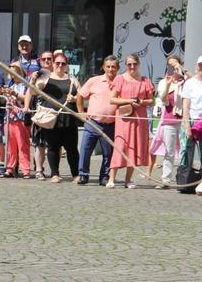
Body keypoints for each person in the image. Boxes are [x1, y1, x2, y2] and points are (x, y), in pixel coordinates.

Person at [107, 54, 155, 189]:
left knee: (134, 147)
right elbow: (112, 99)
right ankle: (111, 178)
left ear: (138, 64)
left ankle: (128, 180)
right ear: (126, 65)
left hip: (139, 118)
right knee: (120, 145)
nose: (132, 67)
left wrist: (142, 101)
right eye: (129, 64)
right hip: (124, 117)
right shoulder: (120, 79)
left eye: (134, 64)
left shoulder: (145, 80)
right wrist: (129, 100)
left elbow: (152, 100)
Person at [35, 52, 81, 183]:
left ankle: (75, 174)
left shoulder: (72, 79)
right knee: (53, 147)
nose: (60, 65)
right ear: (53, 64)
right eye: (57, 63)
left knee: (72, 148)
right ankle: (54, 174)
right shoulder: (45, 78)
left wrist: (75, 98)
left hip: (69, 119)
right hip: (51, 118)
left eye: (63, 63)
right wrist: (33, 80)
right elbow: (33, 91)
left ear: (66, 65)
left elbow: (82, 95)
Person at [76, 55, 119, 186]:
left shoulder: (120, 82)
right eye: (108, 66)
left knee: (108, 154)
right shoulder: (94, 80)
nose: (111, 69)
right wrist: (81, 112)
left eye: (113, 67)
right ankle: (83, 175)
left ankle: (104, 177)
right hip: (92, 123)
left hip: (110, 124)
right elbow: (80, 96)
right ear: (103, 67)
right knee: (85, 150)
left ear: (117, 68)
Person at [150, 55, 186, 188]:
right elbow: (163, 99)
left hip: (184, 120)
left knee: (185, 151)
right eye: (169, 66)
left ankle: (185, 178)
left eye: (174, 65)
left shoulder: (186, 81)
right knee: (169, 152)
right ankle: (166, 180)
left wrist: (181, 70)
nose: (172, 69)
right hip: (169, 120)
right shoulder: (164, 82)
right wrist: (169, 84)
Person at [26, 50, 53, 179]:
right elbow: (29, 92)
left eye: (49, 59)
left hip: (54, 112)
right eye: (44, 59)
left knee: (54, 144)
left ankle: (54, 170)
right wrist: (32, 80)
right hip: (40, 112)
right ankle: (38, 169)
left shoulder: (57, 74)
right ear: (40, 61)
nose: (47, 61)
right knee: (39, 143)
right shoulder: (36, 75)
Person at [3, 62, 30, 178]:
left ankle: (26, 169)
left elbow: (26, 98)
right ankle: (10, 168)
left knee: (22, 145)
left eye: (16, 72)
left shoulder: (25, 85)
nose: (13, 75)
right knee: (10, 146)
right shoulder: (9, 84)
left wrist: (14, 94)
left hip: (20, 118)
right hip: (9, 117)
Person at [180, 55, 202, 195]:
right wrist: (187, 124)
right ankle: (185, 181)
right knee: (186, 151)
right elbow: (186, 106)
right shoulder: (190, 83)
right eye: (200, 65)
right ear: (197, 66)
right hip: (191, 119)